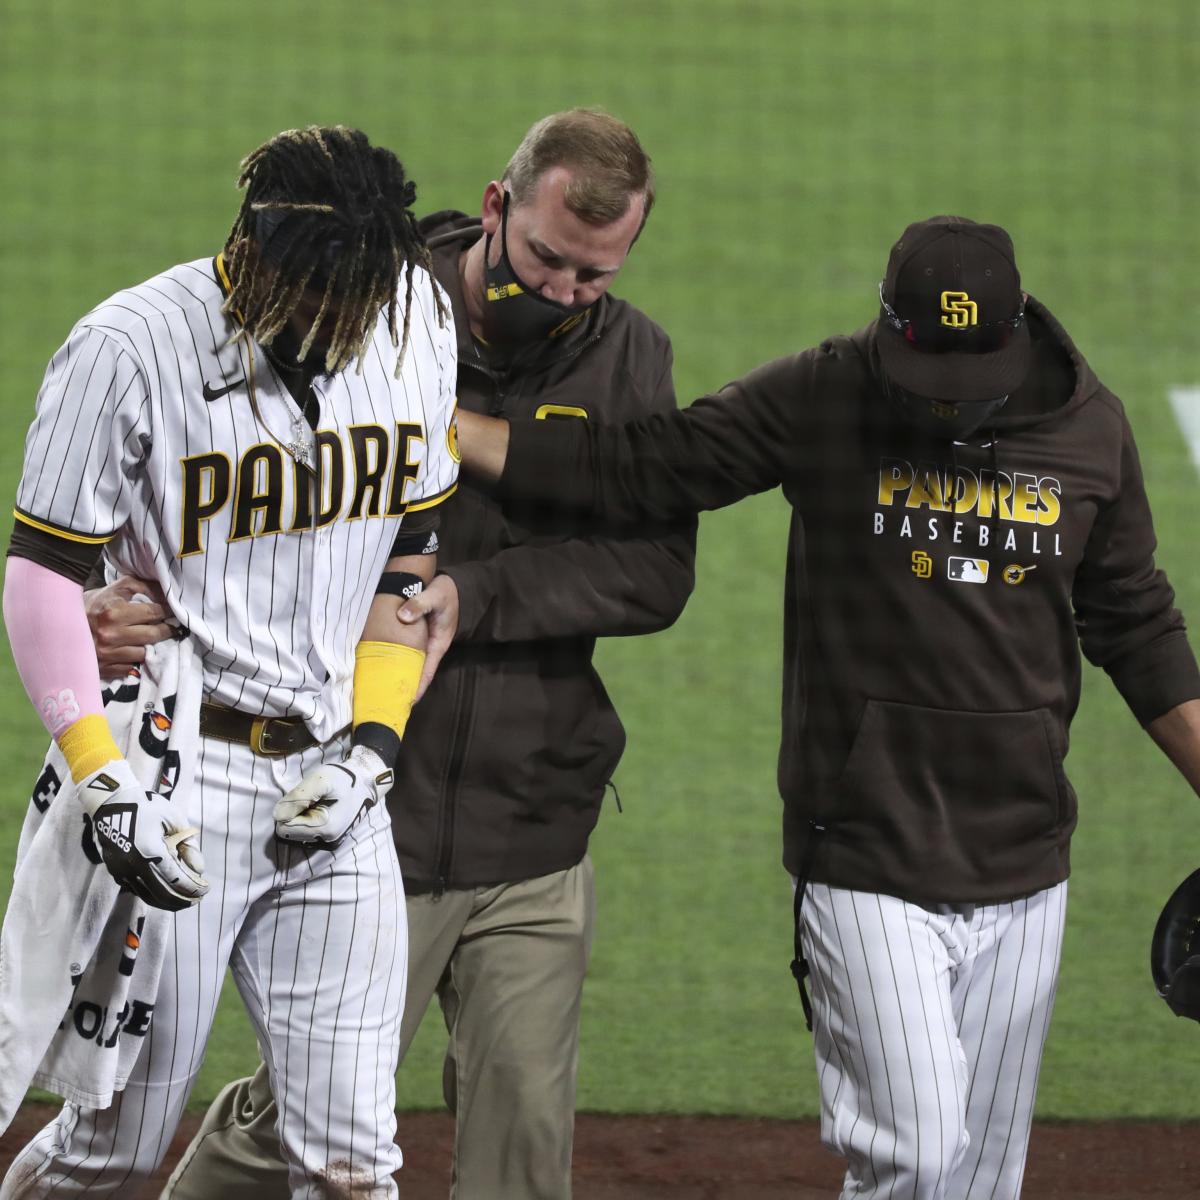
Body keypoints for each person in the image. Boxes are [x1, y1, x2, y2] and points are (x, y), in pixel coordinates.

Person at [437, 215, 1200, 1199]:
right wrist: (444, 429)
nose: (947, 413)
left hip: (1025, 865)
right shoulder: (827, 393)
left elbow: (1135, 620)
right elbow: (647, 466)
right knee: (916, 1151)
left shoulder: (1091, 429)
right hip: (866, 851)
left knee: (980, 1181)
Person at [92, 110, 695, 1200]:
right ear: (499, 208)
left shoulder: (631, 357)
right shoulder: (364, 297)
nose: (564, 293)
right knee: (305, 1127)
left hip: (535, 812)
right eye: (548, 259)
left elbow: (655, 571)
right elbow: (209, 473)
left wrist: (481, 593)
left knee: (521, 1139)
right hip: (368, 805)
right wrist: (123, 592)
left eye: (594, 276)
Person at [0, 125, 458, 1197]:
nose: (337, 326)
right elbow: (40, 576)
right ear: (255, 254)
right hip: (170, 773)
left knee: (355, 1159)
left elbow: (408, 566)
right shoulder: (130, 346)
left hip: (334, 789)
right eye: (315, 295)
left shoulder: (419, 321)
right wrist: (102, 779)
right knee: (114, 1146)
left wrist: (376, 743)